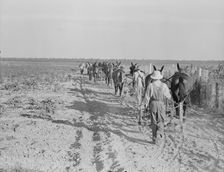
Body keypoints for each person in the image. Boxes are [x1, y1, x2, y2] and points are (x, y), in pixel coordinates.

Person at [140, 70, 171, 144]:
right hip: (161, 104)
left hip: (153, 104)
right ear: (159, 78)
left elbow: (147, 97)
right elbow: (168, 96)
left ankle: (154, 138)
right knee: (161, 119)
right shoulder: (164, 85)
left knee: (153, 120)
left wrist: (144, 106)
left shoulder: (150, 85)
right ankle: (159, 132)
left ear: (153, 78)